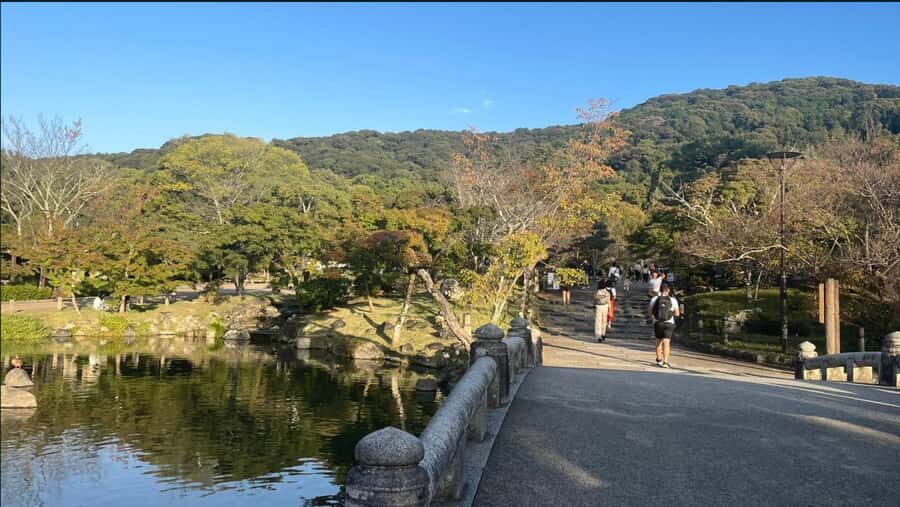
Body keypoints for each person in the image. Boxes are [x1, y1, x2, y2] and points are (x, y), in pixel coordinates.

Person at [649, 283, 680, 368]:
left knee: (658, 341)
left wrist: (653, 318)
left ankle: (659, 360)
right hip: (669, 323)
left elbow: (650, 312)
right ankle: (665, 362)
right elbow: (677, 314)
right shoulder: (673, 300)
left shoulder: (654, 299)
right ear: (668, 290)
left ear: (660, 289)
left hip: (658, 323)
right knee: (666, 342)